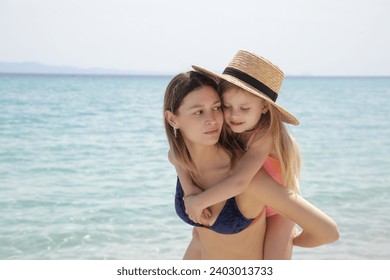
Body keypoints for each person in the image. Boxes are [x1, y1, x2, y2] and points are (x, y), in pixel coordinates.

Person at [163, 70, 339, 259]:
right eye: (199, 111)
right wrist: (190, 193)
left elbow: (328, 231)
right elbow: (175, 156)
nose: (214, 120)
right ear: (173, 119)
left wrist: (293, 240)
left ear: (263, 107)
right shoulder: (184, 160)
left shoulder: (251, 170)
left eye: (215, 108)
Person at [181, 50, 301, 258]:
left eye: (244, 108)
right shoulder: (226, 127)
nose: (234, 115)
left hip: (278, 211)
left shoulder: (265, 135)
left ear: (264, 107)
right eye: (227, 106)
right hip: (251, 209)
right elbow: (181, 154)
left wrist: (199, 201)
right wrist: (190, 190)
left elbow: (240, 181)